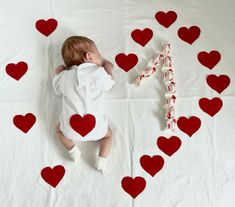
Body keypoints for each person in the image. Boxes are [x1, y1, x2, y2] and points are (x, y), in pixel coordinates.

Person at [52, 36, 115, 176]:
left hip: (70, 130)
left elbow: (56, 90)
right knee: (108, 135)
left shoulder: (64, 76)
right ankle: (102, 159)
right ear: (89, 56)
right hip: (98, 128)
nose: (101, 58)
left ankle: (72, 150)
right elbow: (109, 86)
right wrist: (108, 71)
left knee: (58, 130)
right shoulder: (99, 72)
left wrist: (58, 74)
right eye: (99, 54)